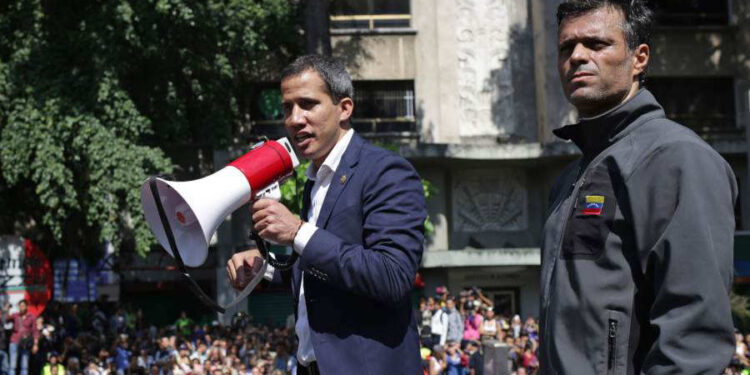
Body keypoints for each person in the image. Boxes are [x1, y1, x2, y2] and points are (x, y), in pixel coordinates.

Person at [539, 0, 737, 373]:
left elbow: (694, 335)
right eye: (566, 47)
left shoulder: (678, 159)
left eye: (596, 44)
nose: (577, 56)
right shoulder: (570, 178)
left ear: (639, 58)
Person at [226, 54, 427, 374]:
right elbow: (319, 271)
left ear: (344, 108)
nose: (294, 119)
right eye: (287, 108)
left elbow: (392, 275)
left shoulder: (387, 172)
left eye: (307, 104)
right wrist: (263, 268)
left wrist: (297, 232)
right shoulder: (315, 182)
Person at [3, 300, 37, 375]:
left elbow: (35, 331)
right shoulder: (15, 315)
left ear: (26, 307)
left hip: (25, 343)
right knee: (12, 366)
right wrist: (7, 310)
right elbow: (6, 320)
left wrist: (35, 344)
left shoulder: (32, 317)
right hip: (14, 341)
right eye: (20, 306)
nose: (21, 307)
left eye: (23, 306)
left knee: (24, 366)